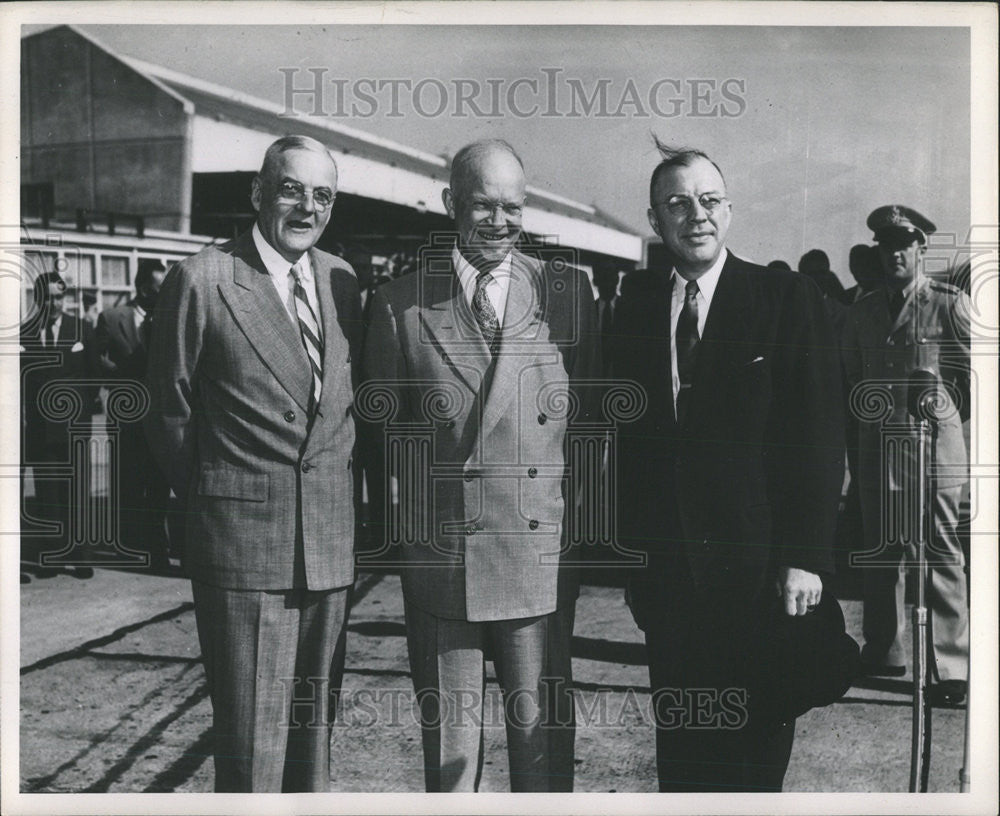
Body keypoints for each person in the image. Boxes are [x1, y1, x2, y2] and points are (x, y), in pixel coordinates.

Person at [361, 139, 600, 792]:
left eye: (512, 208)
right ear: (450, 205)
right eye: (483, 206)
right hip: (445, 561)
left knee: (541, 753)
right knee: (449, 755)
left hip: (537, 558)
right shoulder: (398, 305)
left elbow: (588, 434)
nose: (499, 222)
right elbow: (387, 440)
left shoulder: (567, 294)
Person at [613, 142, 844, 791]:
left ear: (731, 211)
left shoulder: (783, 298)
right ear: (656, 220)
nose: (696, 215)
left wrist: (806, 557)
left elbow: (819, 436)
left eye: (709, 200)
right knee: (683, 765)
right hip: (673, 592)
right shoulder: (634, 308)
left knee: (751, 766)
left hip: (762, 585)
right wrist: (636, 564)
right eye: (677, 204)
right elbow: (632, 447)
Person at [145, 135, 363, 791]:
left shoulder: (342, 280)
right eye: (292, 188)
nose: (307, 206)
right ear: (259, 192)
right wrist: (222, 500)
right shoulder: (203, 280)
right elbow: (168, 413)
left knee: (311, 745)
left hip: (327, 549)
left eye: (322, 194)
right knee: (248, 751)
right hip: (243, 550)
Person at [842, 205, 969, 707]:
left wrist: (951, 423)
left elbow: (974, 376)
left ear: (921, 249)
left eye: (905, 244)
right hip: (879, 449)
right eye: (886, 245)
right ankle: (886, 649)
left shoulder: (947, 304)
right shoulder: (864, 311)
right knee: (883, 555)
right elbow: (853, 378)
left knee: (939, 555)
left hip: (935, 451)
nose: (895, 253)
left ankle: (951, 665)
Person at [20, 271, 98, 583]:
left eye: (59, 296)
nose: (54, 302)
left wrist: (80, 410)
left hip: (75, 427)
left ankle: (80, 557)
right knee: (47, 493)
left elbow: (94, 378)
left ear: (65, 298)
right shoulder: (25, 332)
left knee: (77, 491)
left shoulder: (82, 329)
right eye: (48, 296)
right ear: (38, 299)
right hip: (40, 427)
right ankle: (51, 555)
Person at [95, 258, 171, 570]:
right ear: (142, 289)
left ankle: (157, 552)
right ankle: (127, 548)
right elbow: (96, 359)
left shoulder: (169, 319)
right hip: (125, 416)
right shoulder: (112, 318)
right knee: (126, 485)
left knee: (158, 485)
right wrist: (123, 378)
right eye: (157, 290)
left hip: (160, 417)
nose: (163, 295)